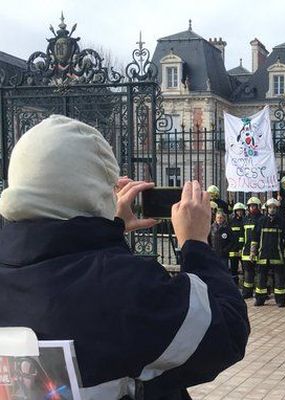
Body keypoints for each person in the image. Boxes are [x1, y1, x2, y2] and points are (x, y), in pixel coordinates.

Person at [0, 115, 249, 399]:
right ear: (95, 192)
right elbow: (227, 331)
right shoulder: (122, 285)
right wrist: (195, 243)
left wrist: (107, 231)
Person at [250, 198, 285, 306]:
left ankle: (280, 300)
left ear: (277, 209)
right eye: (270, 207)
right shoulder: (261, 221)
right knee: (261, 279)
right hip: (263, 254)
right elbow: (255, 238)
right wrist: (253, 252)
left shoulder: (282, 222)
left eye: (274, 208)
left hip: (277, 254)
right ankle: (260, 299)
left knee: (279, 279)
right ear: (267, 209)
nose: (272, 210)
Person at [241, 197, 262, 298]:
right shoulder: (245, 219)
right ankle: (247, 292)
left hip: (258, 250)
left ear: (258, 207)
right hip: (246, 250)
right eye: (250, 206)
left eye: (254, 206)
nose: (252, 208)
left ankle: (260, 293)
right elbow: (242, 235)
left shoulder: (262, 219)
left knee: (259, 273)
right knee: (247, 273)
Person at [228, 203, 246, 286]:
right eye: (238, 211)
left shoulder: (245, 221)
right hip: (233, 249)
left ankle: (245, 284)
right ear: (235, 211)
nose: (240, 212)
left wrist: (241, 246)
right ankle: (235, 284)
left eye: (241, 211)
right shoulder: (231, 222)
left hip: (243, 248)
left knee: (245, 268)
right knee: (233, 269)